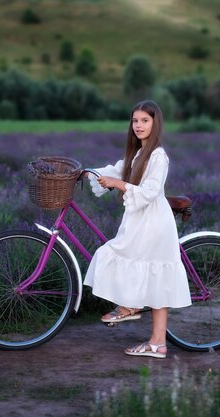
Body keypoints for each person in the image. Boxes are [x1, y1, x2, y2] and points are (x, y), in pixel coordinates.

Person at [84, 100, 191, 359]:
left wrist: (119, 184)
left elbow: (151, 192)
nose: (139, 125)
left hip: (153, 222)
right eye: (135, 121)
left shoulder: (158, 156)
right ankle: (156, 342)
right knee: (152, 275)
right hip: (139, 222)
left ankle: (130, 306)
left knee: (115, 255)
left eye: (145, 120)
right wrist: (86, 173)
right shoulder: (137, 154)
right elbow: (115, 169)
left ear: (155, 124)